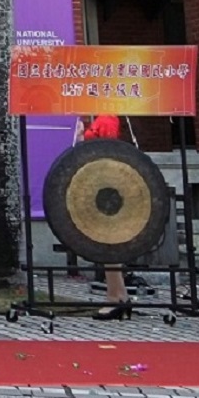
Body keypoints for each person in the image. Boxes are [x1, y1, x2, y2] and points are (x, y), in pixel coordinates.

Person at [83, 112, 133, 319]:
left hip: (108, 182)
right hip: (99, 180)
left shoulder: (107, 118)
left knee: (109, 241)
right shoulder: (98, 117)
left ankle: (115, 298)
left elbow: (107, 150)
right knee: (106, 243)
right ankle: (120, 295)